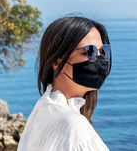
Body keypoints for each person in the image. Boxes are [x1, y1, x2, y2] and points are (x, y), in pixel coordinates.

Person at [17, 16, 112, 151]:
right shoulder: (75, 127)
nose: (99, 59)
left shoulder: (42, 109)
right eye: (88, 51)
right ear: (57, 62)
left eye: (103, 52)